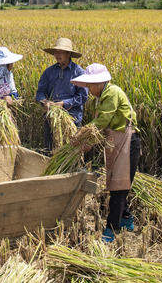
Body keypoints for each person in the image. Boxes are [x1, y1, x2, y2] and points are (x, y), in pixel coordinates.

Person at [70, 63, 141, 243]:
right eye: (88, 85)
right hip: (115, 142)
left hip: (127, 142)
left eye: (92, 85)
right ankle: (126, 220)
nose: (90, 89)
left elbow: (102, 121)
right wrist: (88, 143)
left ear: (102, 82)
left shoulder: (112, 93)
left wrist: (82, 134)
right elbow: (101, 128)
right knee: (116, 183)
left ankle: (111, 229)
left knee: (119, 187)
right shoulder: (100, 97)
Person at [35, 37, 88, 152]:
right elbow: (40, 92)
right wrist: (45, 101)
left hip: (71, 119)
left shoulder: (78, 72)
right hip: (51, 117)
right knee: (50, 149)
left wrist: (64, 103)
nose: (57, 55)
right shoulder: (49, 72)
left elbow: (83, 97)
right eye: (56, 52)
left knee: (70, 151)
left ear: (69, 54)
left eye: (61, 52)